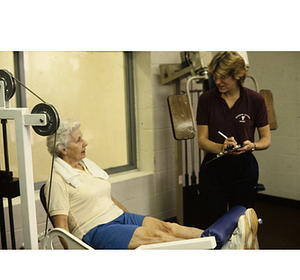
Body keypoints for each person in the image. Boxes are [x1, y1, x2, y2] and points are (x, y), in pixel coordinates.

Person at [44, 118, 256, 250]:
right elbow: (61, 229)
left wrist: (131, 220)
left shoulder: (86, 165)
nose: (85, 142)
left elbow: (106, 199)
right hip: (95, 229)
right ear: (62, 149)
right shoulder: (58, 180)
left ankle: (221, 242)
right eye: (78, 140)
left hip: (118, 217)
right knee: (157, 237)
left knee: (167, 226)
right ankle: (217, 251)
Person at [196, 51, 271, 229]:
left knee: (242, 223)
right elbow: (202, 141)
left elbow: (266, 139)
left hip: (244, 168)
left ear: (237, 76)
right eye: (215, 76)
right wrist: (221, 147)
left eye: (223, 77)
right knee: (213, 223)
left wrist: (252, 145)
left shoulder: (256, 100)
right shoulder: (206, 100)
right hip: (214, 167)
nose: (218, 81)